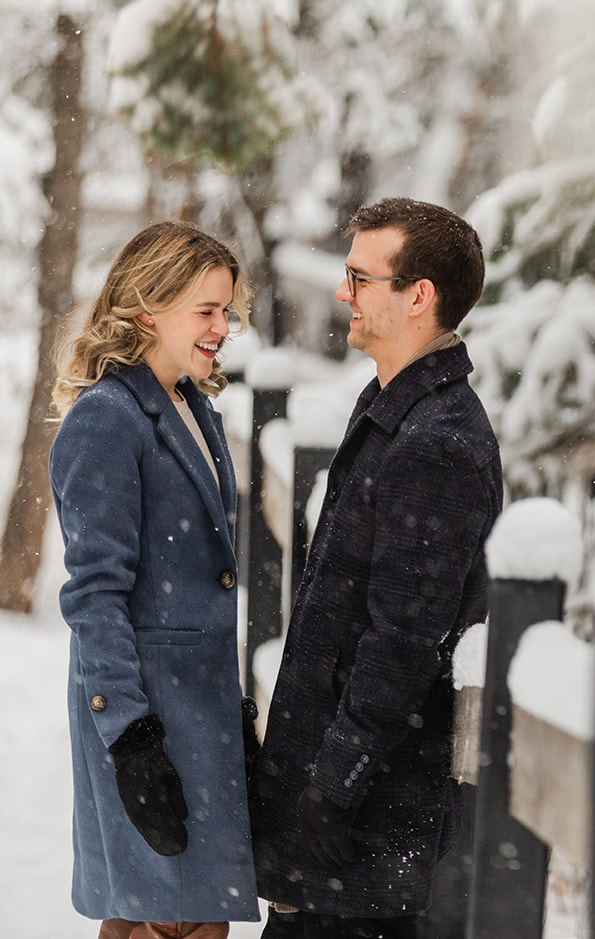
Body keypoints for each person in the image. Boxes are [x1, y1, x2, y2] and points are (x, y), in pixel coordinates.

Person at [249, 198, 503, 939]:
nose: (342, 292)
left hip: (365, 834)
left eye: (360, 277)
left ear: (418, 295)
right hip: (340, 827)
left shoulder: (438, 441)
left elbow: (403, 638)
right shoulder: (395, 406)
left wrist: (337, 780)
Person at [50, 221, 260, 939]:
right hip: (150, 722)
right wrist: (131, 740)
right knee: (163, 922)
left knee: (192, 919)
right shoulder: (107, 419)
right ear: (148, 309)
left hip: (197, 721)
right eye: (206, 310)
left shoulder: (191, 406)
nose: (222, 328)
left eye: (226, 310)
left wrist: (230, 711)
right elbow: (94, 595)